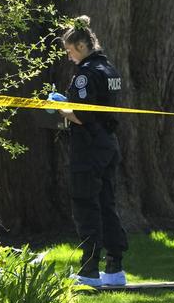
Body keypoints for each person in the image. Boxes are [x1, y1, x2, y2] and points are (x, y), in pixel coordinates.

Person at [50, 15, 129, 287]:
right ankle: (115, 267)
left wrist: (59, 108)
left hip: (88, 148)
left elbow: (83, 116)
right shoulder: (109, 69)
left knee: (86, 205)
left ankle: (89, 269)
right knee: (107, 204)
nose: (69, 57)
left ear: (82, 46)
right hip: (108, 144)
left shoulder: (85, 74)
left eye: (70, 51)